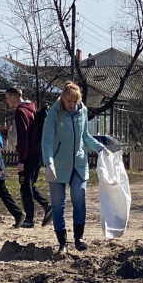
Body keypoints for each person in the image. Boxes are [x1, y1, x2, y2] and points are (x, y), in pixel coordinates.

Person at [41, 81, 108, 257]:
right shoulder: (54, 114)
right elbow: (46, 140)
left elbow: (85, 136)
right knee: (58, 204)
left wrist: (101, 149)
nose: (71, 105)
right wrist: (49, 163)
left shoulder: (82, 111)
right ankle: (62, 242)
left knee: (79, 199)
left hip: (78, 164)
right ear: (63, 98)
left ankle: (79, 239)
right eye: (68, 101)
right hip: (57, 164)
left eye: (74, 101)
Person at [5, 87, 52, 229]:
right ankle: (47, 206)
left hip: (28, 155)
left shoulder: (20, 112)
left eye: (7, 98)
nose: (7, 102)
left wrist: (21, 160)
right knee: (29, 184)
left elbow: (23, 137)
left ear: (13, 97)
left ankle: (30, 218)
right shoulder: (31, 108)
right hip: (37, 153)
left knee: (24, 184)